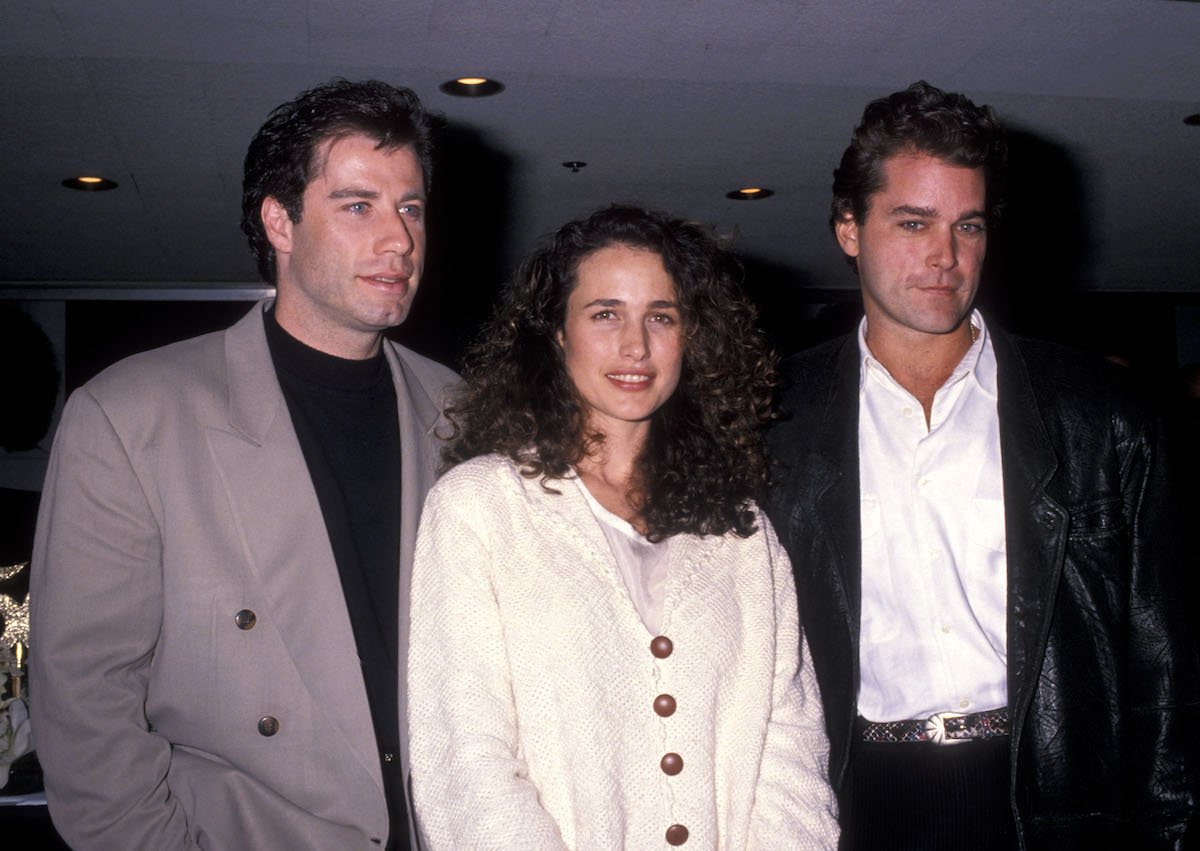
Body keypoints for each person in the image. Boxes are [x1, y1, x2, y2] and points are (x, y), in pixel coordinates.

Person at [764, 81, 1199, 849]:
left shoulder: (1102, 416)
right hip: (847, 802)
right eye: (913, 222)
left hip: (1056, 799)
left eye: (968, 224)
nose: (946, 256)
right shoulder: (773, 420)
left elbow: (1166, 669)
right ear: (848, 229)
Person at [30, 79, 457, 849]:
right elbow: (85, 709)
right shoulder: (130, 416)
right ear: (279, 221)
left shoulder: (462, 412)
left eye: (412, 207)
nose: (398, 239)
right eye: (358, 205)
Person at [407, 205, 838, 849]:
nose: (635, 346)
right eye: (605, 314)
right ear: (556, 331)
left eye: (661, 317)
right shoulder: (478, 508)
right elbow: (463, 758)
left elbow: (790, 746)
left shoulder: (741, 532)